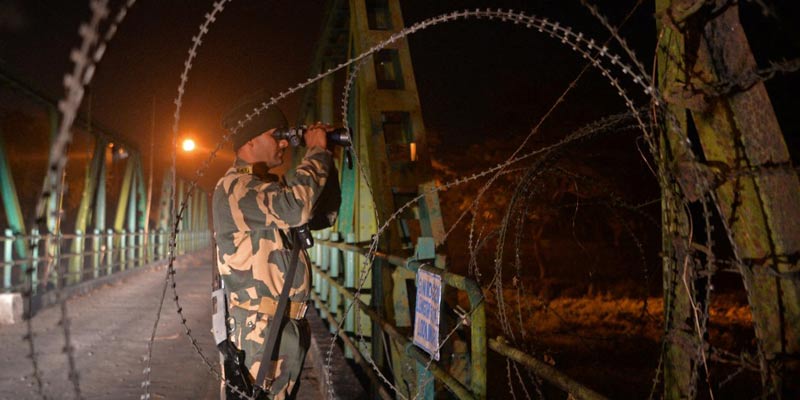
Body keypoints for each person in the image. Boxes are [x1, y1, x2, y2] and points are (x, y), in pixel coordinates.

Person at [212, 97, 331, 400]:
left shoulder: (268, 188)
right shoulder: (236, 188)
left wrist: (326, 154)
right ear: (250, 141)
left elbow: (323, 215)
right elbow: (297, 209)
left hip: (283, 325)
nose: (284, 144)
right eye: (276, 135)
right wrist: (316, 152)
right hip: (260, 331)